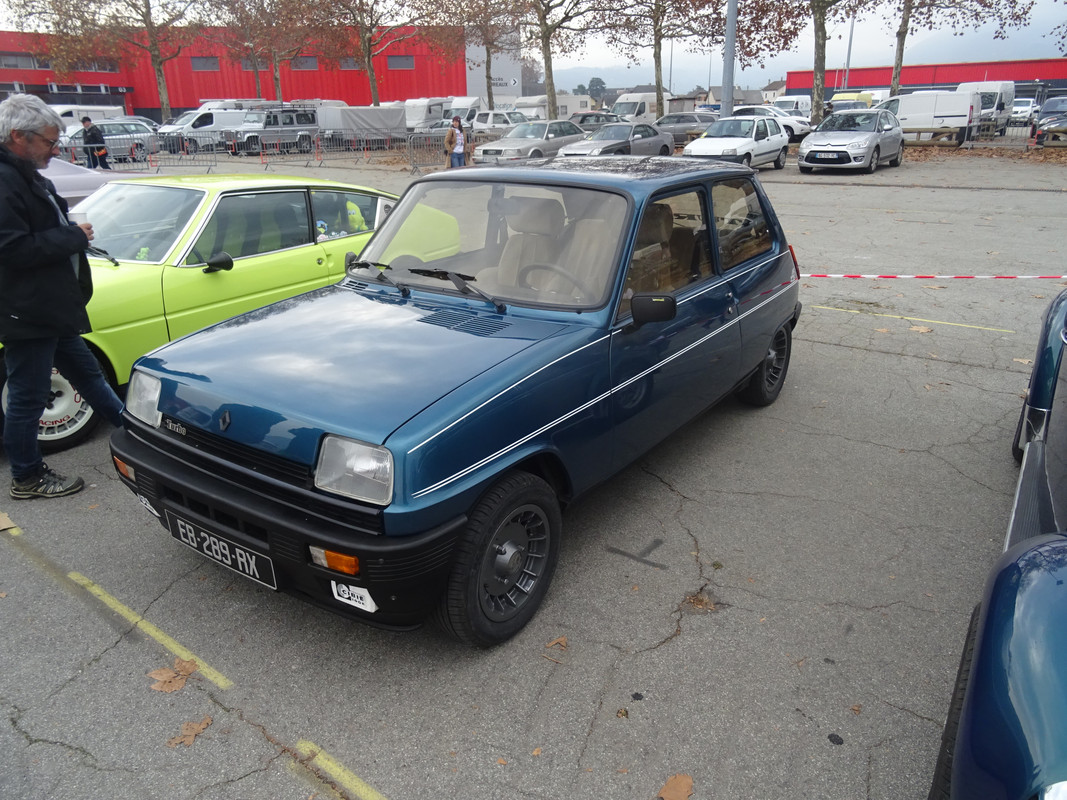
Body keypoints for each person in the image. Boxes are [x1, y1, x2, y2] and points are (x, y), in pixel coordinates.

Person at [0, 94, 124, 499]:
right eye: (50, 142)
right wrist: (72, 236)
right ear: (18, 136)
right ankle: (27, 476)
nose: (56, 150)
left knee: (89, 374)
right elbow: (13, 250)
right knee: (28, 398)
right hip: (28, 311)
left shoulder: (24, 174)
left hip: (50, 307)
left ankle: (134, 435)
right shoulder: (4, 181)